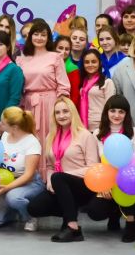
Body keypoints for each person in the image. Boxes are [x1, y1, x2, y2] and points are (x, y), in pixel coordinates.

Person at [25, 97, 101, 242]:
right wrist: (50, 181)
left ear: (73, 112)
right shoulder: (51, 136)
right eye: (57, 112)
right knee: (34, 208)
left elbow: (93, 168)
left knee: (58, 177)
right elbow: (50, 166)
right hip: (60, 185)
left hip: (83, 185)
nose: (61, 115)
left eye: (65, 111)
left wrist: (61, 176)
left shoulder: (85, 135)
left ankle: (72, 227)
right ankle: (70, 211)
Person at [88, 95, 135, 242]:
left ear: (126, 114)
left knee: (128, 183)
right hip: (107, 181)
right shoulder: (97, 134)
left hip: (130, 179)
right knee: (95, 211)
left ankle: (130, 222)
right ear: (106, 112)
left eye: (121, 111)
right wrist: (102, 185)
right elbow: (96, 163)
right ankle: (114, 214)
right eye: (113, 110)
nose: (116, 115)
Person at [0, 107, 44, 231]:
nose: (0, 124)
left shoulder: (32, 142)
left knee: (13, 198)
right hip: (7, 179)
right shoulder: (5, 135)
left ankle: (31, 216)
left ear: (14, 127)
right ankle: (15, 211)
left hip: (29, 182)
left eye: (3, 123)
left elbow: (28, 175)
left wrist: (6, 188)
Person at [17, 20, 70, 142]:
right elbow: (19, 87)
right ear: (30, 36)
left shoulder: (56, 57)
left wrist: (60, 109)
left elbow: (63, 86)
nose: (39, 38)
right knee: (30, 139)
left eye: (43, 35)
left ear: (48, 38)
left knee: (51, 139)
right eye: (36, 34)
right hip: (29, 104)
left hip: (50, 103)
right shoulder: (21, 60)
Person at [72, 49, 116, 131]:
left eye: (94, 62)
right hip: (82, 126)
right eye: (87, 62)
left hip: (100, 126)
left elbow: (111, 107)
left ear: (100, 63)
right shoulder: (82, 82)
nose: (90, 64)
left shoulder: (107, 82)